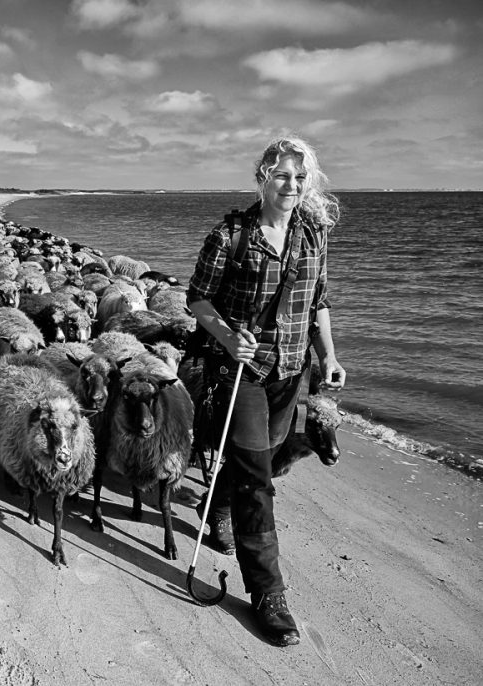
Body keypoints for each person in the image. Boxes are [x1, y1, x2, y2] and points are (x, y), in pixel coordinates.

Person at [186, 135, 346, 647]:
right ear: (262, 176)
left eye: (300, 178)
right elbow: (198, 300)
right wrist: (230, 338)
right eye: (281, 175)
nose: (291, 186)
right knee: (258, 477)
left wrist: (330, 356)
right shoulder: (230, 234)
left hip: (292, 373)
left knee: (266, 457)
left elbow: (318, 300)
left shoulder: (313, 233)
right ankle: (268, 594)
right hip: (241, 374)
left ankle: (215, 510)